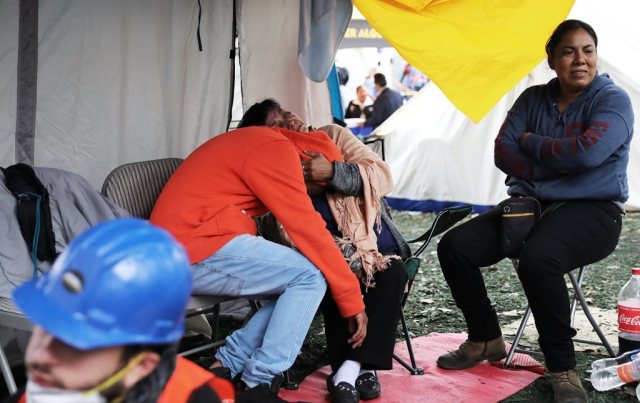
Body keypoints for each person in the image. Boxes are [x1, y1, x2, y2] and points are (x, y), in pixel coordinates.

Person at [435, 19, 633, 403]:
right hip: (530, 206)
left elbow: (589, 153)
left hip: (595, 211)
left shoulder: (612, 100)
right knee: (455, 246)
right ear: (552, 60)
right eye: (568, 51)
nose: (580, 59)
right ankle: (485, 337)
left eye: (587, 50)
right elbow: (502, 152)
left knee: (539, 259)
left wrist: (533, 145)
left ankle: (562, 368)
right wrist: (562, 161)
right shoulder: (532, 99)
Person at [150, 123, 367, 402]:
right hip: (188, 247)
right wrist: (352, 300)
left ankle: (224, 367)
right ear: (308, 166)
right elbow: (307, 227)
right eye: (315, 190)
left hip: (187, 242)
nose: (310, 196)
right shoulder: (277, 151)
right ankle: (257, 385)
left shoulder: (262, 141)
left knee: (299, 282)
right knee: (309, 277)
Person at [239, 99, 411, 403]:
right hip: (328, 256)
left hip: (376, 245)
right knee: (327, 269)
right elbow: (285, 233)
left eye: (286, 113)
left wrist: (333, 172)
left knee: (390, 269)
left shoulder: (331, 135)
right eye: (276, 124)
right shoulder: (272, 171)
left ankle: (349, 367)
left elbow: (382, 175)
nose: (288, 121)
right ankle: (362, 368)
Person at [6, 218, 235, 403]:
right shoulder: (49, 387)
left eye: (74, 346)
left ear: (139, 367)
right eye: (45, 329)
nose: (38, 357)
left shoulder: (192, 397)